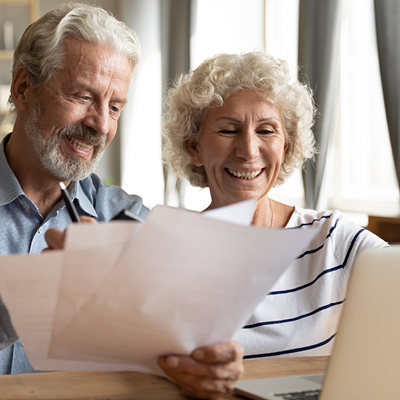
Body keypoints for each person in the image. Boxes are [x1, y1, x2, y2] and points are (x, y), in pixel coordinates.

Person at [0, 3, 243, 398]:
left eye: (114, 107)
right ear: (24, 88)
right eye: (82, 96)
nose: (101, 124)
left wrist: (207, 359)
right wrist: (29, 298)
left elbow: (183, 321)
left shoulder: (125, 218)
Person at [162, 51, 388, 360]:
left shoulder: (334, 240)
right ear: (194, 147)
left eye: (266, 130)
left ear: (288, 144)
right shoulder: (163, 256)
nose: (248, 150)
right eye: (228, 130)